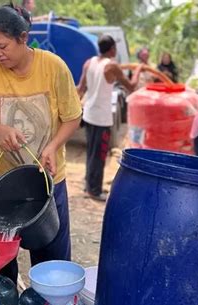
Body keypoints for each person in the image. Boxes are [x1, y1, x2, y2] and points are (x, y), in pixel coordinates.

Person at [0, 4, 82, 284]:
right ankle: (5, 302)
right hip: (2, 180)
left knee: (51, 259)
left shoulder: (53, 67)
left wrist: (53, 146)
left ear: (23, 37)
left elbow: (72, 117)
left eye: (2, 46)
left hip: (48, 178)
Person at [77, 35, 142, 202]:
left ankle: (89, 185)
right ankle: (95, 190)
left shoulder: (89, 62)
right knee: (99, 155)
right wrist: (139, 71)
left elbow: (81, 88)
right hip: (101, 118)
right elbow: (131, 86)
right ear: (112, 49)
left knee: (91, 152)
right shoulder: (112, 66)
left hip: (89, 113)